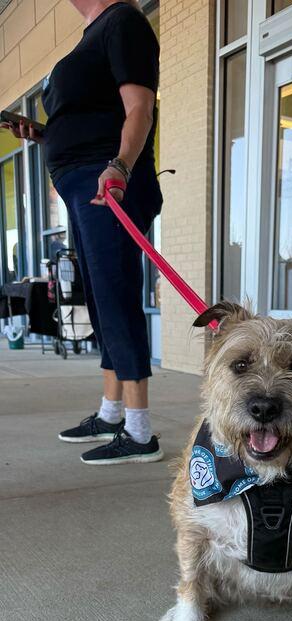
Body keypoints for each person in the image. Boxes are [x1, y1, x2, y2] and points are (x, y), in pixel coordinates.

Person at [5, 0, 163, 465]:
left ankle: (140, 433)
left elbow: (140, 109)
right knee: (96, 297)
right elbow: (88, 113)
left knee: (115, 296)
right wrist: (42, 134)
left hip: (105, 182)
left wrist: (119, 166)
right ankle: (112, 412)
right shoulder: (91, 35)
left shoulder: (123, 22)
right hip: (79, 184)